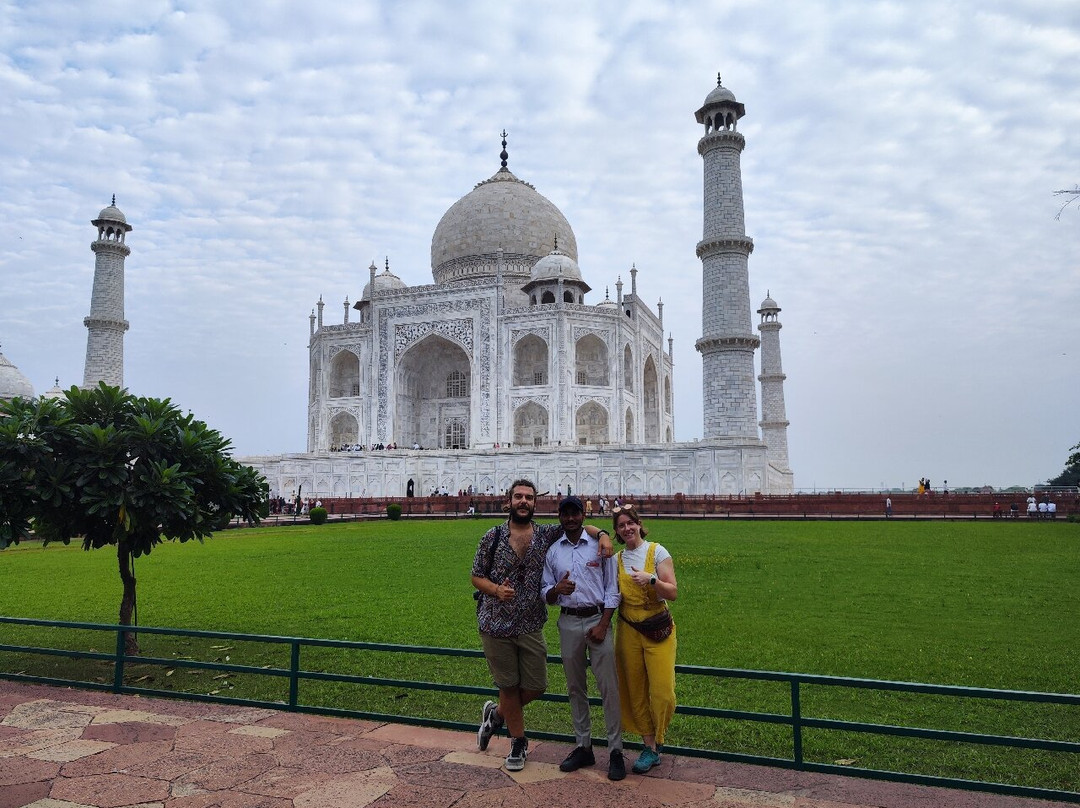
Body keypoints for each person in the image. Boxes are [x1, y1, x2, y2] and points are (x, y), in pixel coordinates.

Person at [471, 480, 612, 772]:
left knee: (536, 686)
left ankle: (496, 715)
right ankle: (518, 743)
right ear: (508, 501)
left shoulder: (546, 534)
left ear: (535, 504)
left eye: (529, 498)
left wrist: (604, 534)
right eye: (518, 497)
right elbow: (475, 576)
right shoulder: (492, 536)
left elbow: (577, 526)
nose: (524, 501)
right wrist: (496, 590)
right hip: (495, 624)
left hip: (530, 623)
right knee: (509, 687)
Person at [542, 496, 625, 780]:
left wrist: (604, 624)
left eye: (575, 514)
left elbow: (613, 589)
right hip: (568, 621)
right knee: (575, 687)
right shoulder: (553, 552)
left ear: (582, 515)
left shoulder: (601, 547)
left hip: (597, 619)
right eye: (565, 514)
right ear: (560, 517)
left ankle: (616, 751)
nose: (570, 519)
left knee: (608, 688)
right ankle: (583, 746)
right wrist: (557, 590)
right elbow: (545, 592)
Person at [612, 502, 678, 774]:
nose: (627, 528)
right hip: (628, 627)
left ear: (639, 524)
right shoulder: (617, 559)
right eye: (620, 526)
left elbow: (672, 592)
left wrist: (651, 580)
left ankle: (659, 738)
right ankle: (649, 747)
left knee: (663, 692)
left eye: (630, 523)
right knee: (635, 690)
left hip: (657, 627)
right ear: (616, 532)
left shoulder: (656, 551)